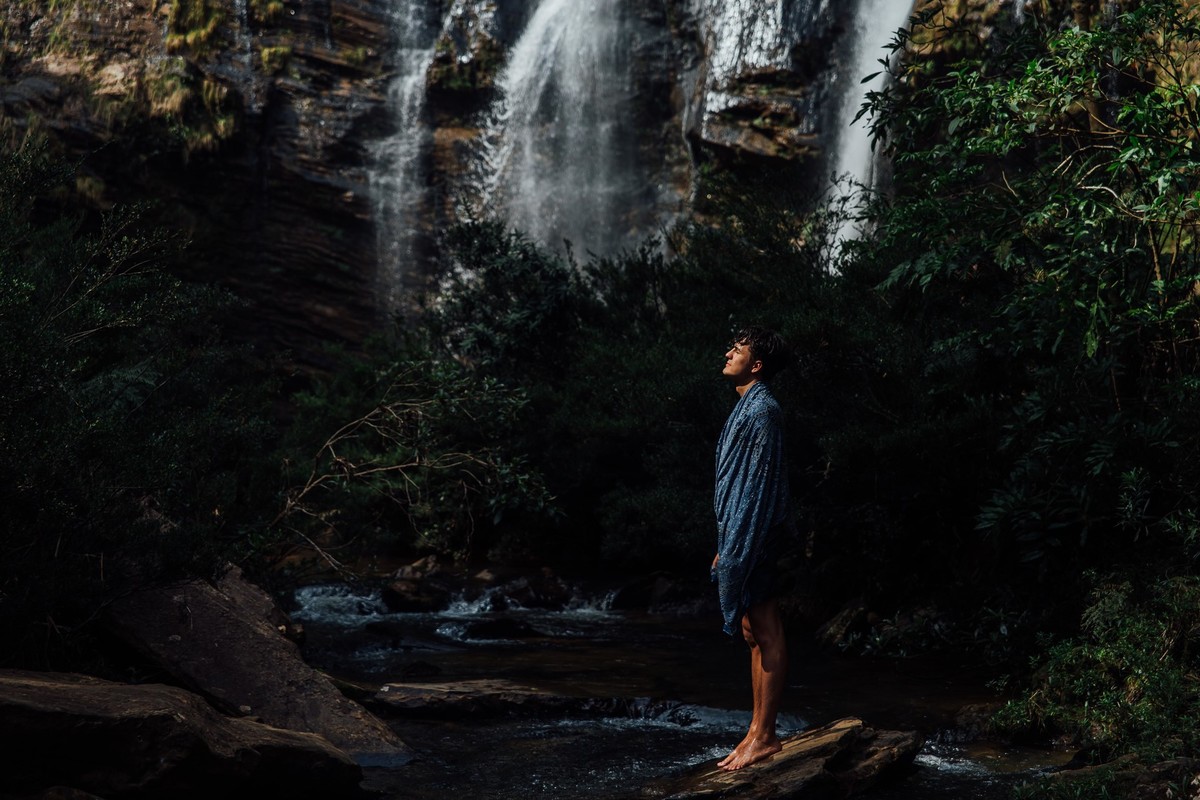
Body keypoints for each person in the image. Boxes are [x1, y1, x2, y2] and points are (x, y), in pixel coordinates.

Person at [711, 325, 794, 771]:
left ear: (756, 365)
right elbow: (735, 484)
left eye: (738, 349)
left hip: (758, 533)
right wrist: (726, 544)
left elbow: (757, 488)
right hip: (742, 534)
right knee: (750, 632)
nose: (728, 353)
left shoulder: (763, 412)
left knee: (765, 627)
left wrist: (739, 545)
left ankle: (765, 735)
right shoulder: (747, 407)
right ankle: (755, 729)